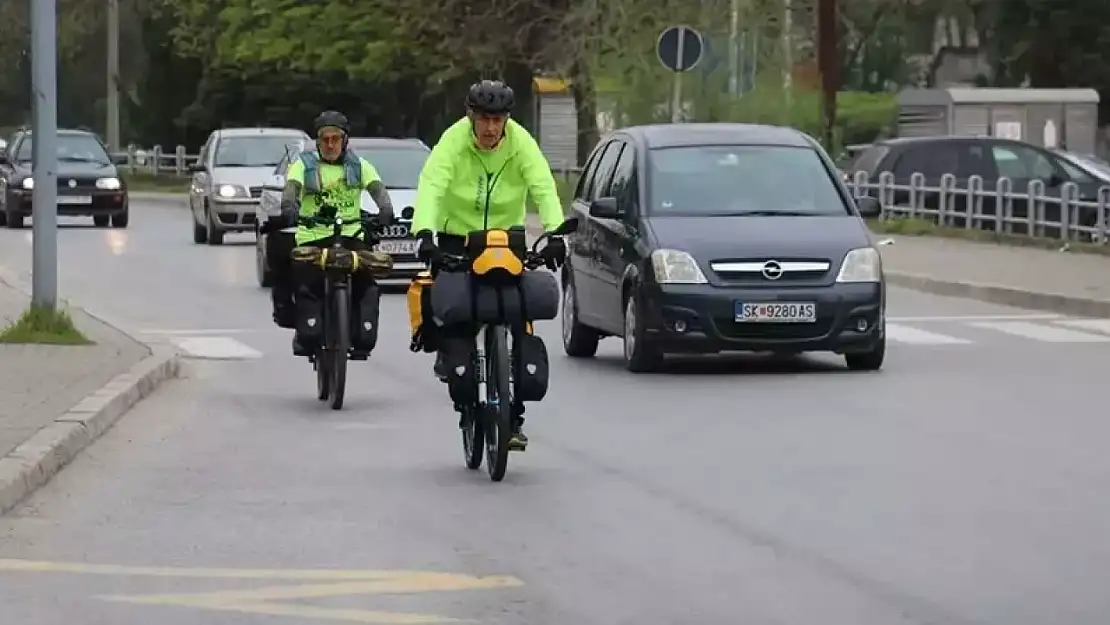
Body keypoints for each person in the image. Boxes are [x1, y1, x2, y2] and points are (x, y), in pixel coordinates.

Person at [410, 79, 567, 450]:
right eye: (484, 119)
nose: (491, 128)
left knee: (518, 316)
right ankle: (457, 373)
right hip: (457, 238)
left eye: (498, 120)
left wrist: (556, 232)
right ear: (471, 117)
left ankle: (513, 418)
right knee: (453, 313)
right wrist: (425, 234)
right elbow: (432, 184)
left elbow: (542, 185)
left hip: (503, 239)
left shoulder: (521, 142)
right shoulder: (453, 140)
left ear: (507, 120)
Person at [268, 110, 395, 357]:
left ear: (345, 140)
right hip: (312, 237)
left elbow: (379, 191)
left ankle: (359, 333)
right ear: (317, 141)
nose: (330, 145)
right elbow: (291, 190)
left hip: (351, 236)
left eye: (335, 139)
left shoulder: (360, 166)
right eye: (324, 139)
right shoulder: (303, 165)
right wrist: (289, 207)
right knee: (303, 279)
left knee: (366, 283)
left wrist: (386, 210)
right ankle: (305, 330)